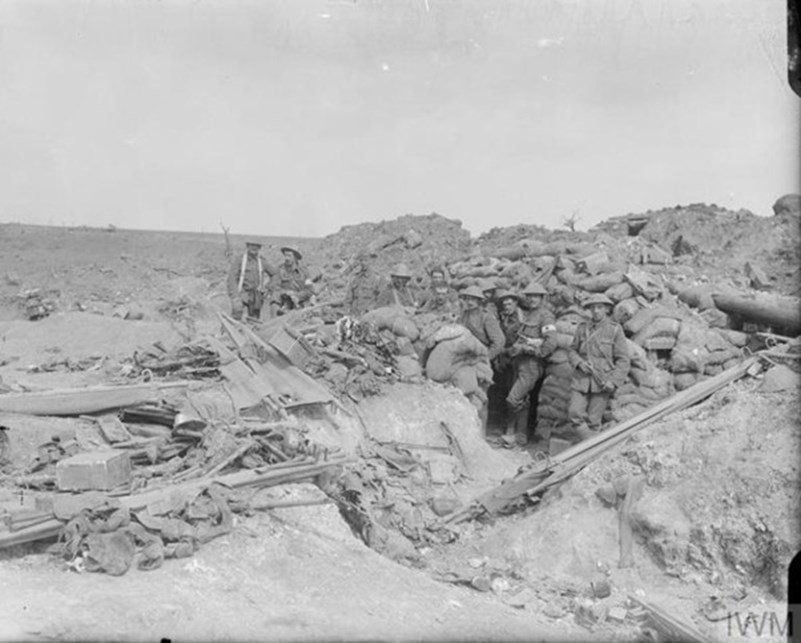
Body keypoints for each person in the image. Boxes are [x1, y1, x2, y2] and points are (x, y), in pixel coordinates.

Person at [567, 293, 631, 442]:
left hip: (602, 381)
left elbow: (623, 360)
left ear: (607, 309)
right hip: (581, 379)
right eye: (592, 308)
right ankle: (590, 447)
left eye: (600, 307)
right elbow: (571, 350)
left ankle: (587, 457)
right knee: (574, 413)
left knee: (593, 421)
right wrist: (579, 363)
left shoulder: (615, 330)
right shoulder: (582, 328)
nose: (596, 311)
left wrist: (613, 381)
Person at [504, 282, 558, 446]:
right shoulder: (528, 315)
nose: (532, 299)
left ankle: (519, 435)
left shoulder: (545, 316)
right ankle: (520, 437)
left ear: (542, 298)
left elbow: (551, 343)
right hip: (519, 363)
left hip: (531, 365)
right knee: (523, 399)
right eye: (530, 296)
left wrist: (532, 350)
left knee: (513, 399)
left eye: (536, 296)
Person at [226, 241, 274, 321]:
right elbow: (232, 279)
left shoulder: (262, 261)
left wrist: (268, 287)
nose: (254, 248)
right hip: (242, 292)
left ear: (260, 248)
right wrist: (235, 296)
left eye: (257, 246)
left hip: (256, 295)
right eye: (252, 245)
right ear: (247, 246)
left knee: (254, 319)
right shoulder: (239, 260)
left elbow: (275, 274)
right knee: (236, 312)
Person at [269, 245, 314, 317]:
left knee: (310, 300)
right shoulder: (280, 269)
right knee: (275, 297)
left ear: (295, 257)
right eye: (285, 255)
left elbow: (310, 290)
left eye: (289, 256)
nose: (286, 258)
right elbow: (274, 287)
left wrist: (297, 295)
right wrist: (286, 293)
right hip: (283, 300)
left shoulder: (304, 271)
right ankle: (274, 322)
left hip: (299, 300)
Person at [344, 250, 382, 317]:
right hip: (354, 314)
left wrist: (369, 310)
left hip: (369, 315)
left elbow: (379, 300)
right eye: (361, 261)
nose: (363, 263)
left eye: (366, 260)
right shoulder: (355, 278)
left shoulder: (376, 278)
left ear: (370, 262)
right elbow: (348, 299)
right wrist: (348, 312)